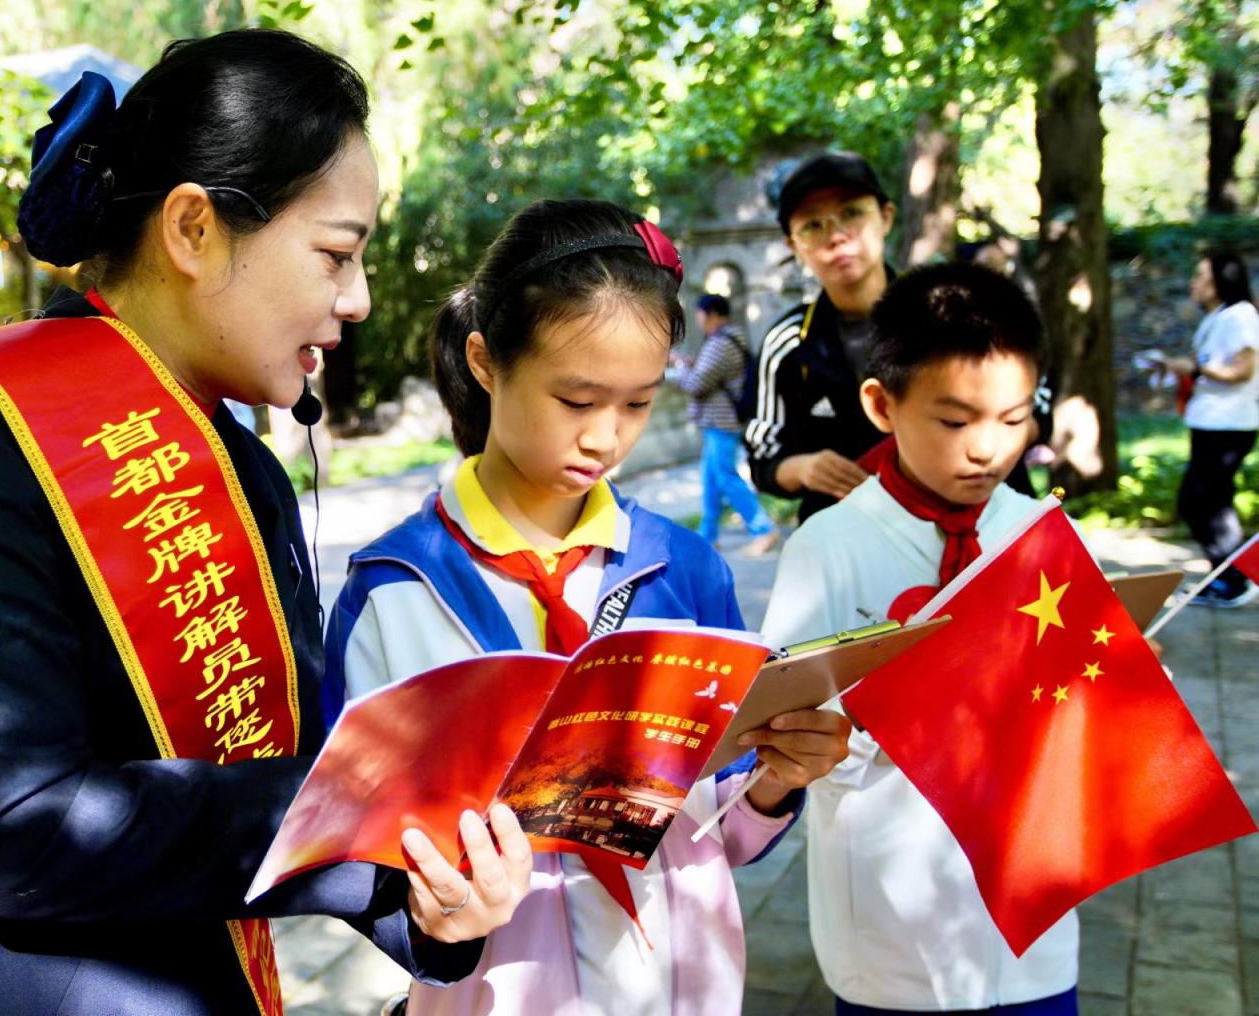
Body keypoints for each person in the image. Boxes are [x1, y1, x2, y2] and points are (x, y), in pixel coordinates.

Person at [0, 30, 531, 1016]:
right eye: (336, 254)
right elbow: (17, 827)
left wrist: (432, 893)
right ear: (193, 229)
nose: (359, 299)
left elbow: (278, 768)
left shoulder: (249, 477)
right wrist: (378, 804)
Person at [324, 199, 853, 1015]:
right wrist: (432, 913)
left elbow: (725, 823)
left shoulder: (684, 572)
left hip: (685, 989)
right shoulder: (394, 592)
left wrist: (777, 781)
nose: (607, 438)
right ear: (485, 361)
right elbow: (354, 856)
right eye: (577, 401)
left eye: (637, 404)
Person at [760, 263, 1079, 1014]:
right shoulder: (827, 548)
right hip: (889, 921)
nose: (987, 450)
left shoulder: (1041, 532)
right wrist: (905, 711)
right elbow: (781, 735)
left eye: (1013, 420)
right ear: (882, 404)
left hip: (1031, 914)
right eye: (955, 421)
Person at [745, 151, 896, 521]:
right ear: (793, 246)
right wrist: (804, 468)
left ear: (886, 217)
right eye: (813, 225)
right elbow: (764, 458)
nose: (837, 237)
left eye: (851, 213)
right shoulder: (788, 343)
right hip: (843, 538)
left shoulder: (948, 314)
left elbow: (1025, 414)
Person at [1160, 250, 1259, 608]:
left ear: (1221, 280)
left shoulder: (1240, 316)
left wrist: (1194, 369)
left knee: (1206, 503)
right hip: (1210, 421)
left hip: (1228, 424)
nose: (1193, 283)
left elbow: (1243, 369)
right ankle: (1225, 576)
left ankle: (1235, 579)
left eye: (1200, 276)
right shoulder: (1220, 316)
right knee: (1202, 501)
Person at [671, 293, 777, 551]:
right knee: (711, 478)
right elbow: (713, 373)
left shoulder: (720, 343)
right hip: (719, 421)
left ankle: (763, 529)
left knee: (726, 476)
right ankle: (707, 537)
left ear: (713, 315)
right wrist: (692, 364)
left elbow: (696, 384)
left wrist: (679, 365)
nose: (699, 321)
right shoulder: (732, 338)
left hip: (722, 422)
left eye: (700, 315)